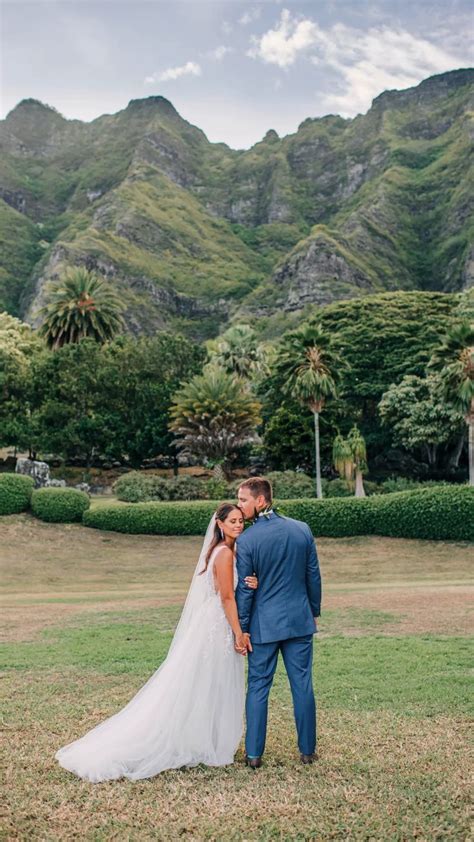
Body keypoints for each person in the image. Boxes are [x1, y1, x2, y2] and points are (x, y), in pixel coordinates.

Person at [55, 502, 257, 782]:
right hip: (218, 625)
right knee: (212, 681)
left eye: (240, 521)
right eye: (232, 521)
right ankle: (203, 741)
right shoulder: (223, 554)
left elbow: (230, 589)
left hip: (211, 622)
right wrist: (238, 632)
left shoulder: (223, 552)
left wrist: (249, 583)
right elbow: (226, 598)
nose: (238, 524)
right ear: (219, 525)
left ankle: (204, 737)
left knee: (210, 682)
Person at [235, 477, 322, 769]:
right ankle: (307, 751)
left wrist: (243, 627)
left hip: (263, 625)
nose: (239, 505)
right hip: (300, 620)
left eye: (243, 500)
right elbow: (313, 575)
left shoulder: (247, 540)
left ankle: (254, 754)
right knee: (302, 684)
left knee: (258, 685)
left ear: (261, 500)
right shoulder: (302, 530)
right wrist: (314, 610)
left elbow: (247, 589)